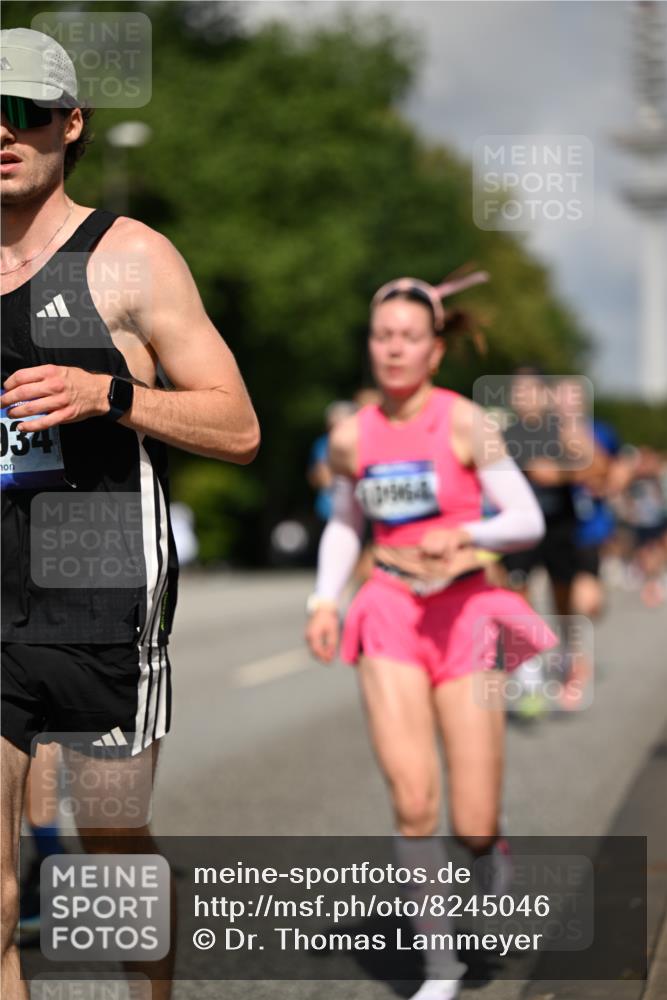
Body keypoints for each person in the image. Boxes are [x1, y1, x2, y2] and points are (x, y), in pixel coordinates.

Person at [1, 28, 260, 1000]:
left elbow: (237, 428)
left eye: (25, 111)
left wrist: (111, 396)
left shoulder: (130, 259)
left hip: (103, 590)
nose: (3, 131)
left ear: (71, 124)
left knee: (109, 843)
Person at [305, 270, 557, 1000]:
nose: (392, 349)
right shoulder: (352, 436)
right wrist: (325, 599)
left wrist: (465, 532)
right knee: (414, 799)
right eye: (382, 336)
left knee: (470, 821)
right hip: (387, 609)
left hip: (467, 614)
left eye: (408, 337)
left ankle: (489, 847)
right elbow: (347, 522)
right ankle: (439, 967)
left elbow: (526, 518)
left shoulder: (462, 422)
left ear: (434, 350)